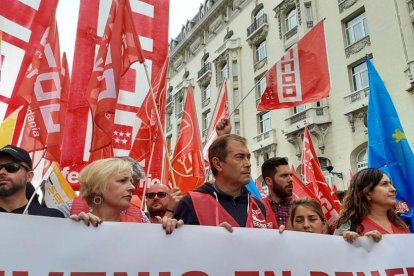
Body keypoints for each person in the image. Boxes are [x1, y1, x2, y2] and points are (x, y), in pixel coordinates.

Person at [174, 134, 275, 230]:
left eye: (248, 157)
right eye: (239, 157)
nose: (248, 164)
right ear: (218, 164)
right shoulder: (191, 203)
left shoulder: (258, 205)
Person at [71, 158, 182, 233]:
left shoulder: (141, 225)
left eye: (131, 181)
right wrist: (76, 229)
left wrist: (169, 233)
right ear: (98, 187)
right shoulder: (72, 221)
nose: (132, 187)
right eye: (122, 181)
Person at [334, 168, 409, 243]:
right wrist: (355, 244)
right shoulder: (350, 226)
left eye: (390, 184)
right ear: (367, 193)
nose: (393, 189)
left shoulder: (399, 222)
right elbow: (335, 252)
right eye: (384, 184)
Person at [0, 145, 64, 217]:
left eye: (11, 166)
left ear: (29, 176)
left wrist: (78, 225)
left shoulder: (51, 217)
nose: (1, 172)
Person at [261, 157, 293, 227]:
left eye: (290, 175)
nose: (291, 179)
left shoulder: (300, 207)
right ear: (269, 181)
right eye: (284, 176)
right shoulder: (258, 209)